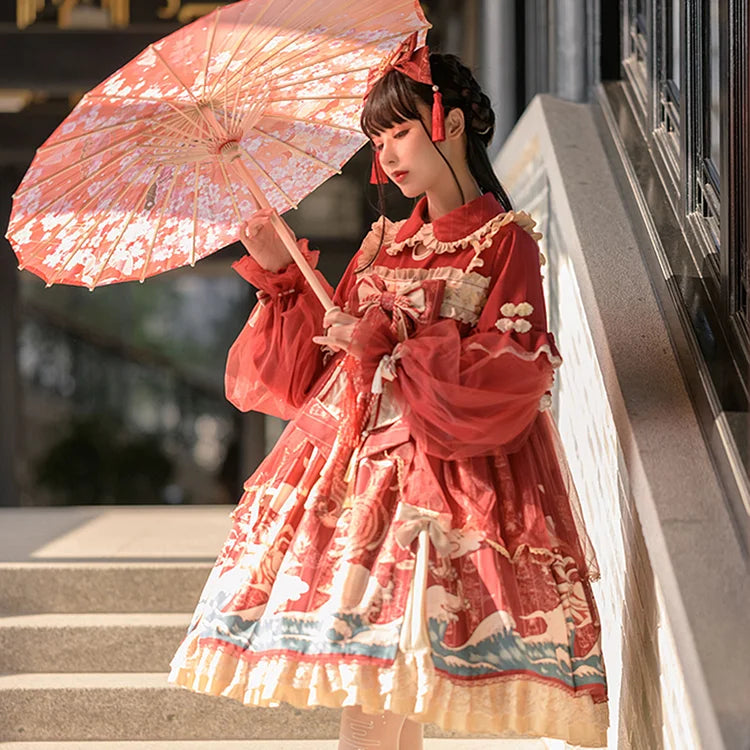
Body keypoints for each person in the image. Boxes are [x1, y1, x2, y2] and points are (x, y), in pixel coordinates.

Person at [168, 36, 609, 750]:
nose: (389, 156)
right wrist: (284, 276)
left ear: (452, 122)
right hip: (353, 482)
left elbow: (512, 371)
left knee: (384, 687)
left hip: (449, 485)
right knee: (379, 685)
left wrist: (389, 346)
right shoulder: (379, 244)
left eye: (400, 131)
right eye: (378, 139)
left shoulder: (504, 244)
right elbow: (307, 375)